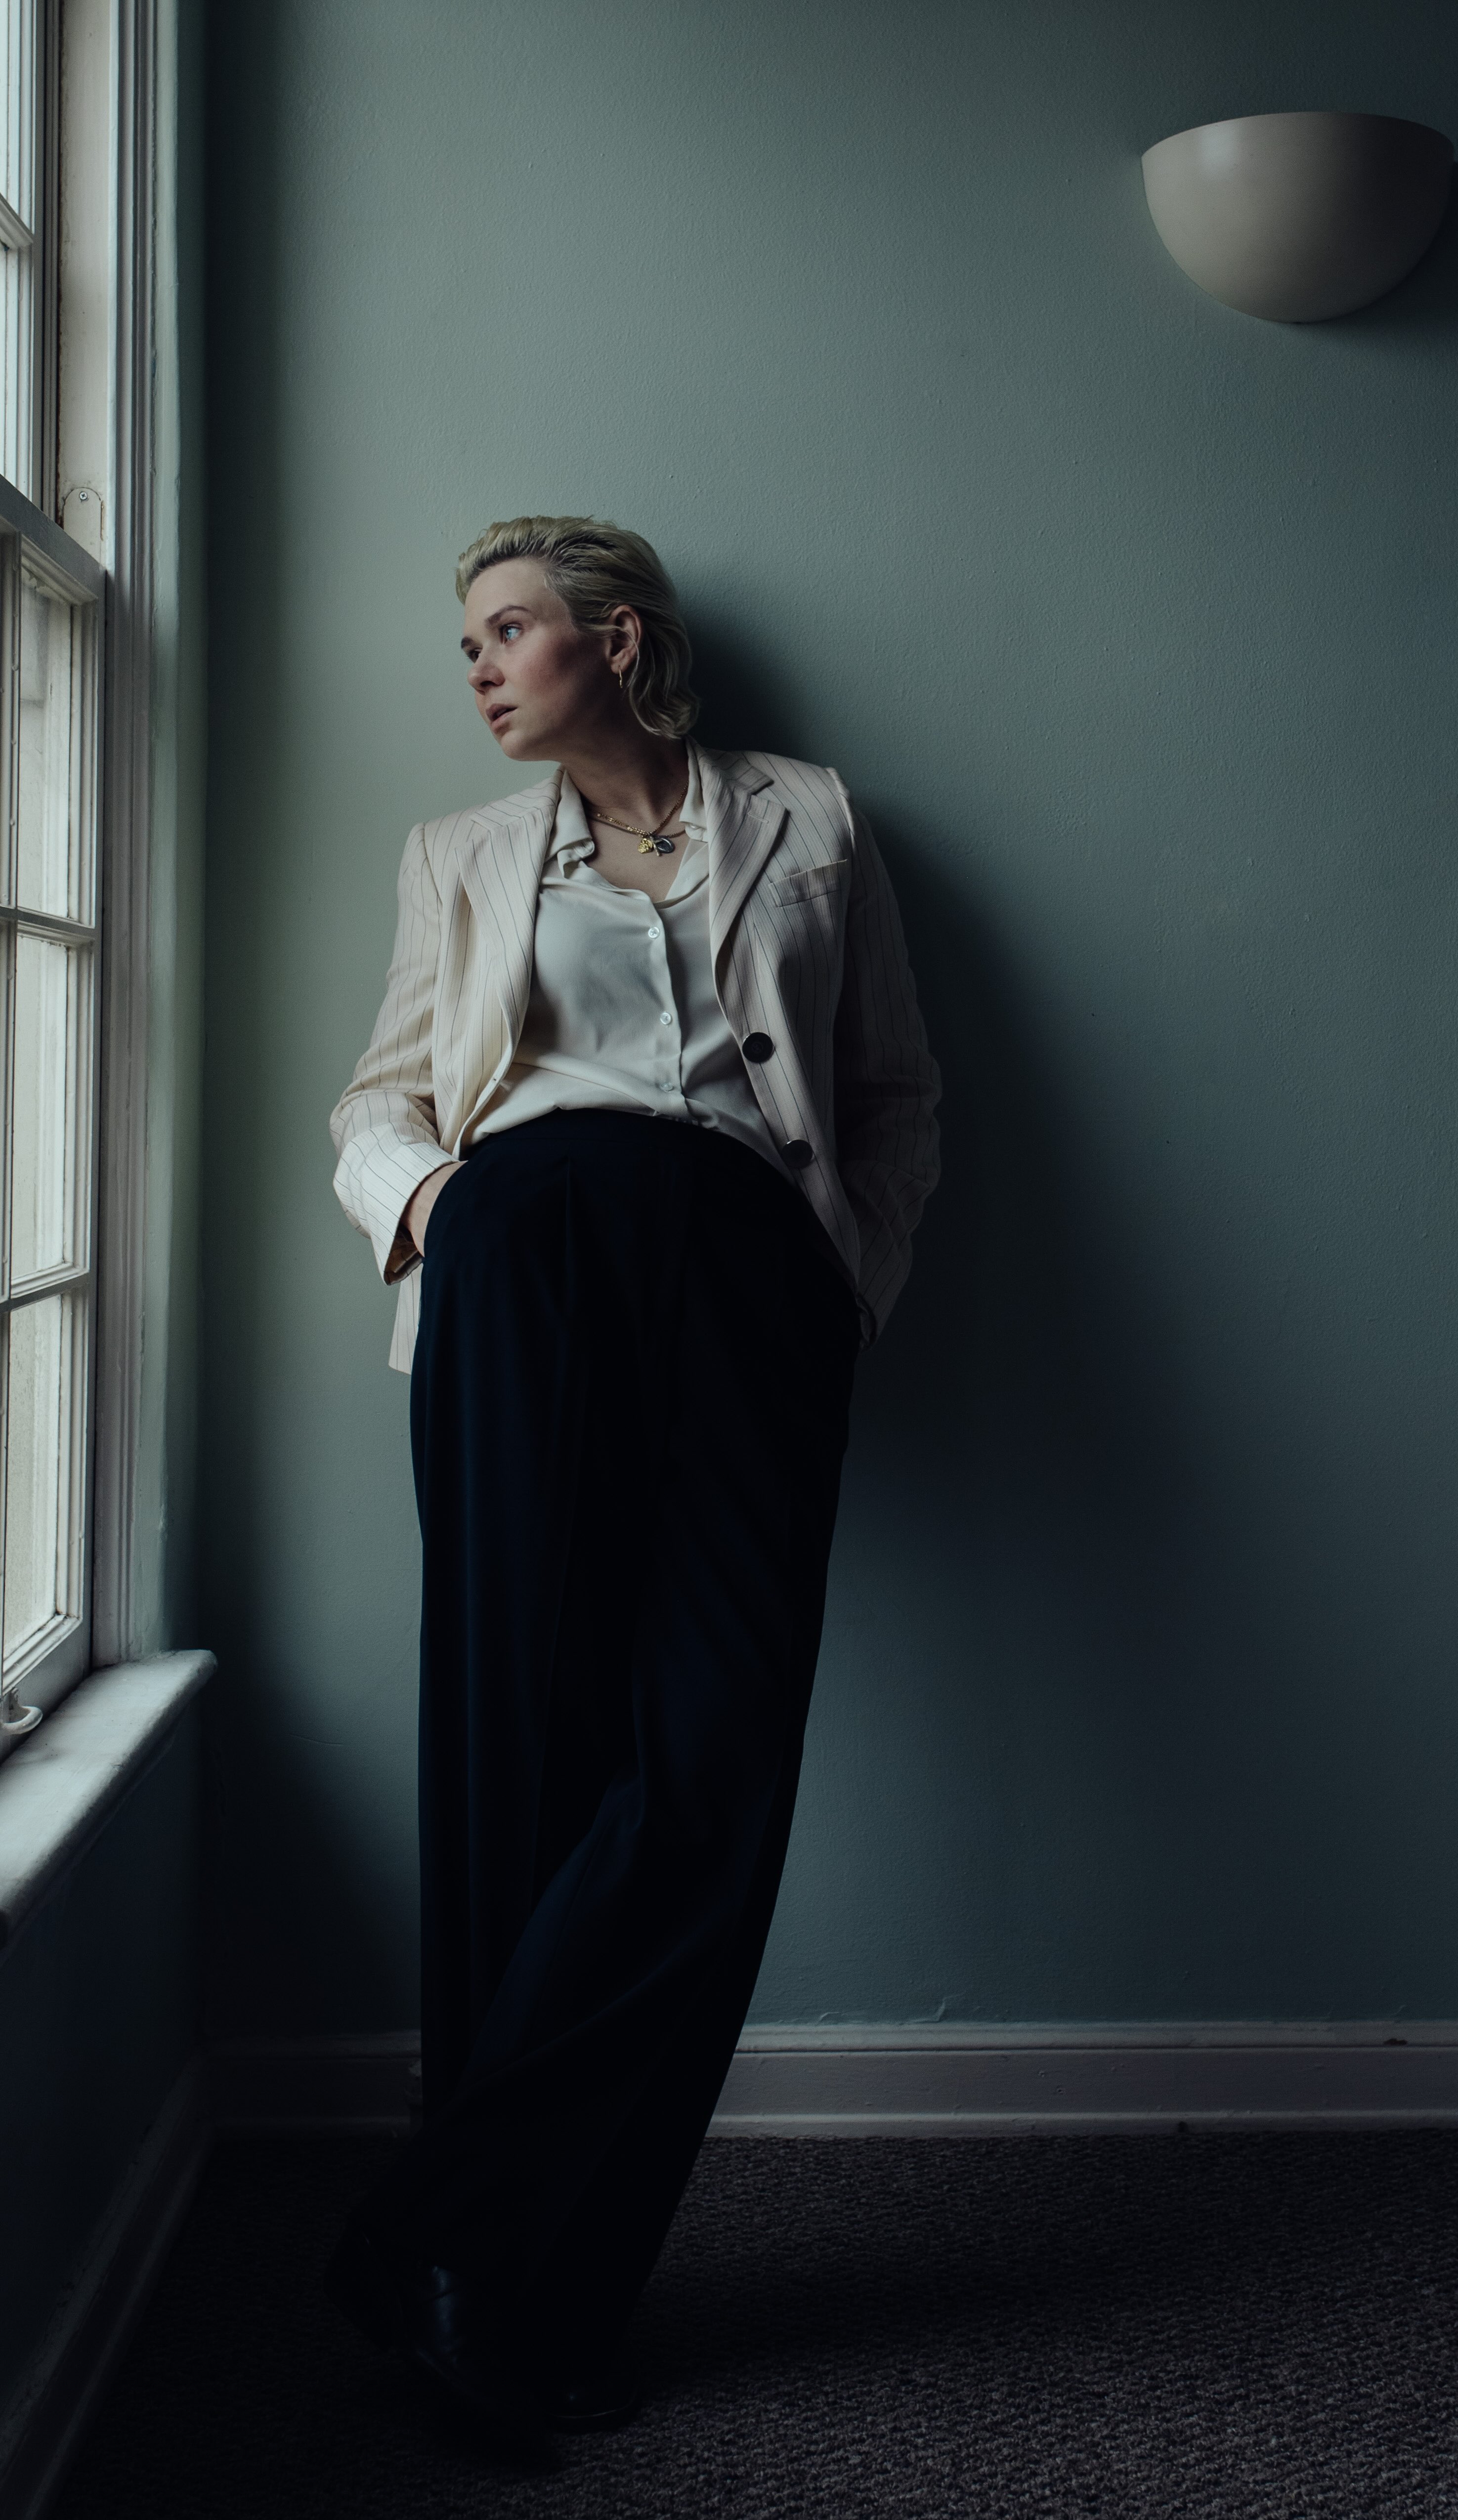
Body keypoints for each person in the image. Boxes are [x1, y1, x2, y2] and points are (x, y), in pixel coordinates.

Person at [323, 515, 940, 2446]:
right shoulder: (460, 858)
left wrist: (844, 1278)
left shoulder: (813, 817)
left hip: (754, 1274)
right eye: (470, 642)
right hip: (525, 1255)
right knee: (524, 1744)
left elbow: (896, 1094)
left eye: (510, 629)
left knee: (712, 1756)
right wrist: (434, 1206)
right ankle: (512, 2295)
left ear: (620, 637)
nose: (482, 665)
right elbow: (378, 1095)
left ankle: (443, 2225)